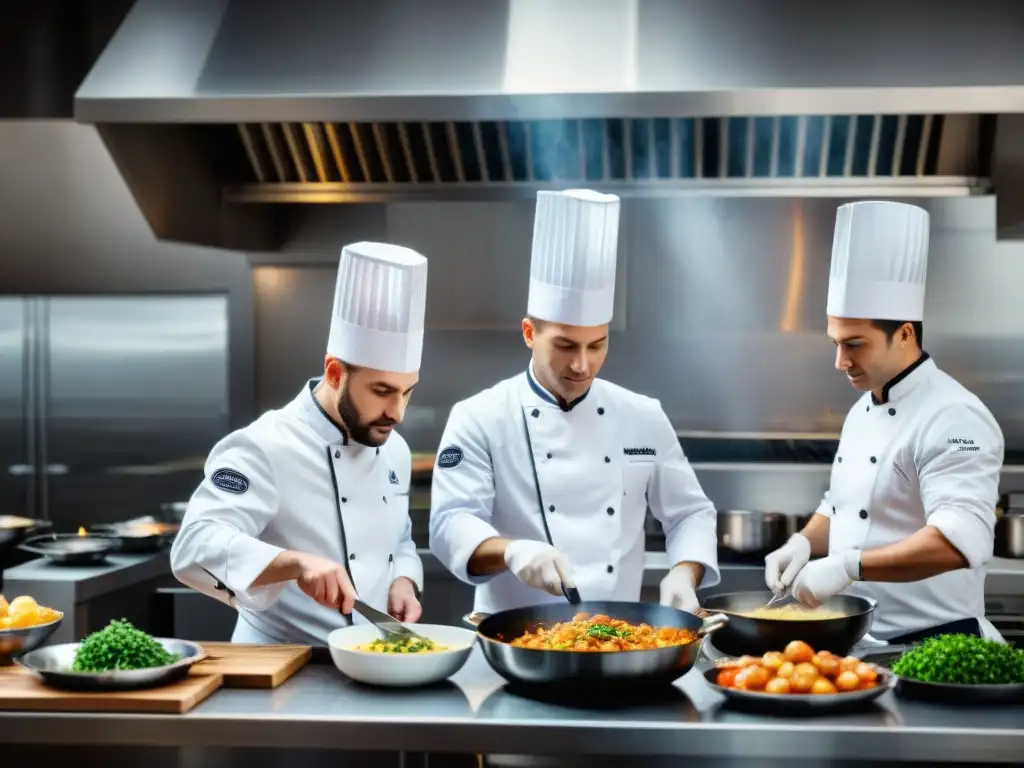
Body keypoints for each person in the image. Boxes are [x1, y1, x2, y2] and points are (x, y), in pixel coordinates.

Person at [429, 189, 719, 616]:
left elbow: (690, 513)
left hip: (616, 636)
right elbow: (450, 523)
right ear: (529, 333)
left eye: (597, 344)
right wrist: (512, 552)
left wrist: (683, 572)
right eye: (565, 345)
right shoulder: (480, 417)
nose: (583, 365)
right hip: (514, 640)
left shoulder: (641, 415)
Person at [764, 201, 1005, 643]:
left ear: (906, 334)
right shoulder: (862, 407)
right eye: (836, 343)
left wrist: (848, 565)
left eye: (856, 344)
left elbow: (958, 542)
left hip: (935, 643)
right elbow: (844, 506)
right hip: (866, 641)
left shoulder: (955, 417)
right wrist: (801, 543)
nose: (840, 362)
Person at [171, 242, 428, 644]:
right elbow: (193, 545)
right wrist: (295, 563)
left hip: (373, 659)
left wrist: (404, 580)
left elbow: (400, 537)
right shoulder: (264, 445)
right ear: (334, 373)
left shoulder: (394, 447)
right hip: (283, 667)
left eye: (407, 391)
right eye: (381, 390)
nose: (397, 412)